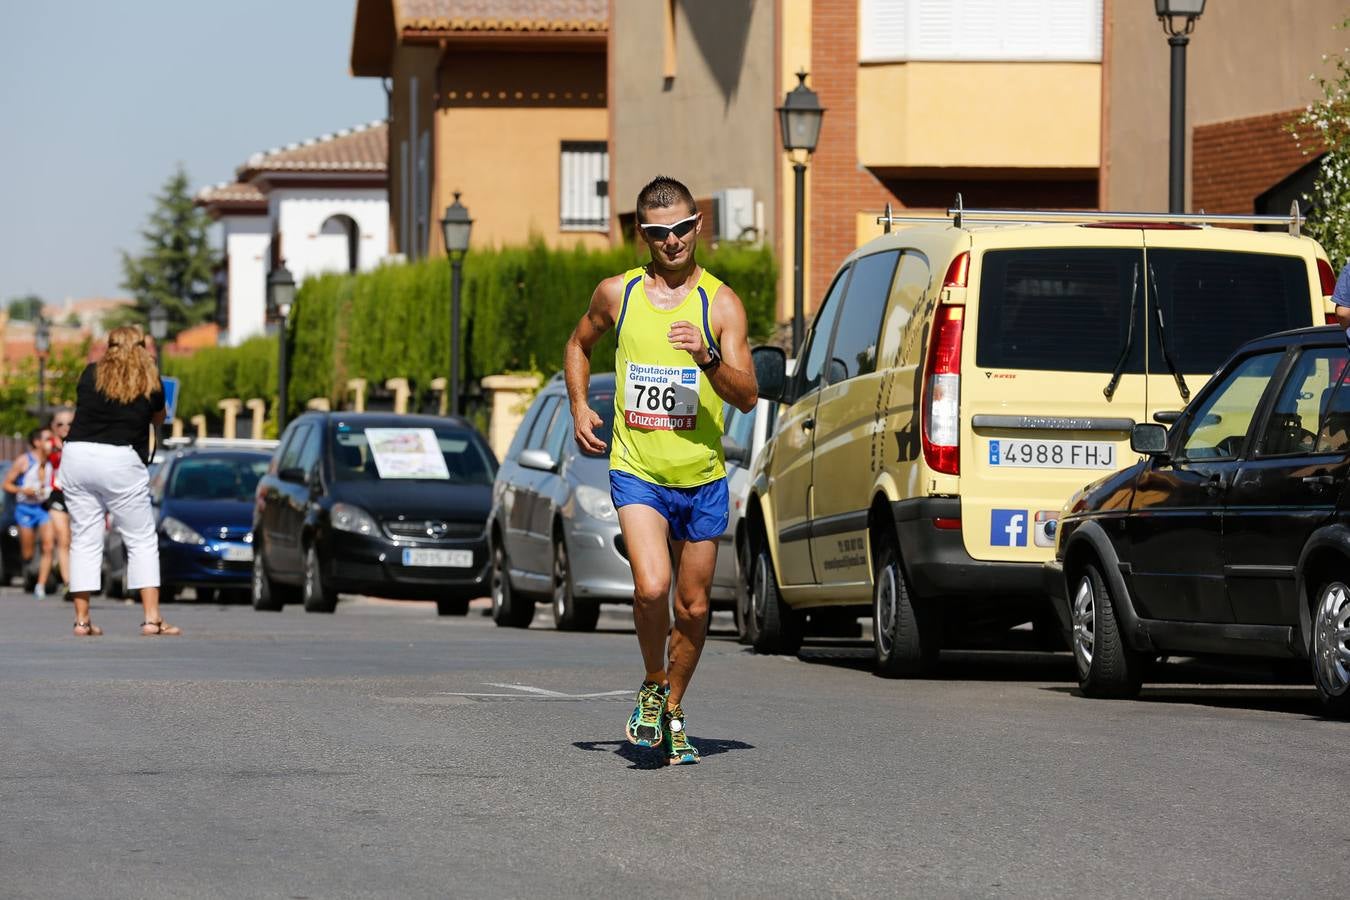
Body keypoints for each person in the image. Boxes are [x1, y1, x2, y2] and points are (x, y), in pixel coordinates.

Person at [564, 175, 757, 765]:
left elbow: (747, 395)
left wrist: (707, 355)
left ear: (698, 226)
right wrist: (578, 405)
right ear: (641, 234)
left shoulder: (721, 305)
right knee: (651, 587)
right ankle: (653, 681)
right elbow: (578, 345)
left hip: (701, 476)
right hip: (637, 467)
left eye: (680, 229)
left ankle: (673, 706)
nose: (671, 241)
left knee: (694, 607)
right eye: (657, 232)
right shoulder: (617, 294)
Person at [61, 325, 178, 638]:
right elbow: (159, 418)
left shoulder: (90, 374)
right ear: (140, 347)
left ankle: (82, 622)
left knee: (84, 538)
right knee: (140, 538)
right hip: (120, 461)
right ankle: (152, 618)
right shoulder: (150, 382)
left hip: (78, 455)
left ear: (110, 346)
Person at [3, 427, 55, 598]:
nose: (51, 443)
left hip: (42, 508)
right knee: (28, 552)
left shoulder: (52, 461)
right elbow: (6, 484)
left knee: (48, 546)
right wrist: (23, 490)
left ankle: (40, 585)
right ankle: (30, 571)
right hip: (25, 509)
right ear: (37, 442)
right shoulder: (24, 461)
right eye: (47, 439)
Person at [45, 407, 74, 596]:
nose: (65, 428)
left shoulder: (79, 444)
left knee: (73, 540)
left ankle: (64, 569)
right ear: (53, 427)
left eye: (70, 424)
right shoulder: (48, 446)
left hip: (76, 495)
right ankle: (69, 583)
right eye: (60, 424)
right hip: (56, 495)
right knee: (63, 538)